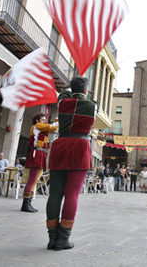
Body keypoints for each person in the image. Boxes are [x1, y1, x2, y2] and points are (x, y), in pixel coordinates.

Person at [45, 76, 97, 251]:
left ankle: (52, 238)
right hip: (81, 145)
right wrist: (81, 92)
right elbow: (78, 95)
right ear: (86, 91)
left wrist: (74, 87)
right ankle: (63, 239)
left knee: (55, 194)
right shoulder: (93, 105)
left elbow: (63, 92)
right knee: (72, 194)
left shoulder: (62, 102)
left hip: (61, 144)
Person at [21, 112, 58, 213]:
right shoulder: (37, 126)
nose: (44, 122)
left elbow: (51, 128)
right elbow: (52, 127)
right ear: (37, 121)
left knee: (35, 179)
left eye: (44, 120)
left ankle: (28, 203)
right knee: (32, 180)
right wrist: (58, 119)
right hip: (37, 152)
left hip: (40, 153)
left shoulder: (40, 128)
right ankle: (25, 204)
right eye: (42, 120)